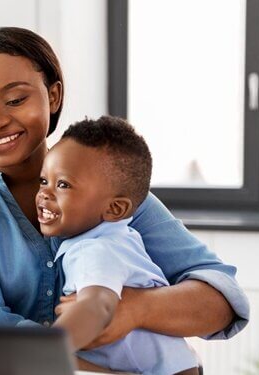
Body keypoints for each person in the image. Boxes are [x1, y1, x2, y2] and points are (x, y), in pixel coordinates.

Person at [0, 26, 250, 365]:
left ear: (54, 95)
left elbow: (221, 300)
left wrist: (134, 309)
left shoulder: (108, 186)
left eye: (15, 100)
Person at [41, 116, 198, 374]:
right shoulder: (114, 238)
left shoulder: (97, 249)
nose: (45, 193)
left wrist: (47, 347)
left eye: (63, 185)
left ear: (115, 208)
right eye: (43, 181)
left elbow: (97, 305)